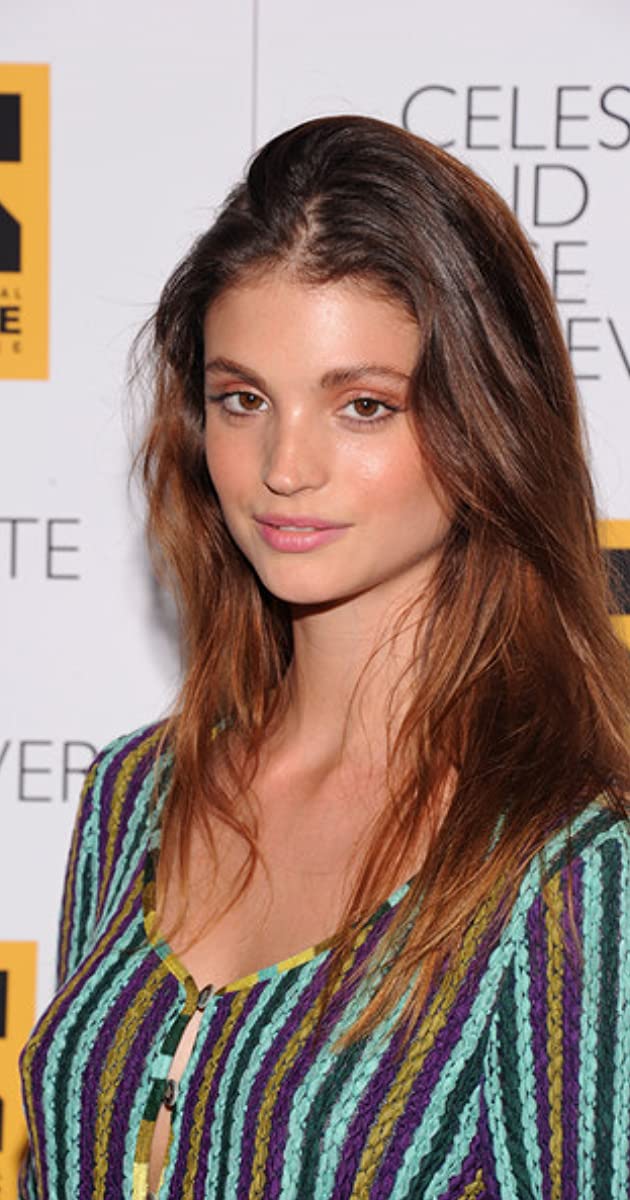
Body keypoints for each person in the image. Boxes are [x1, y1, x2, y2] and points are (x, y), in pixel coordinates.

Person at [19, 114, 629, 1200]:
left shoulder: (572, 863)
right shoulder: (132, 795)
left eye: (363, 406)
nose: (284, 465)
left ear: (487, 422)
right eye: (242, 398)